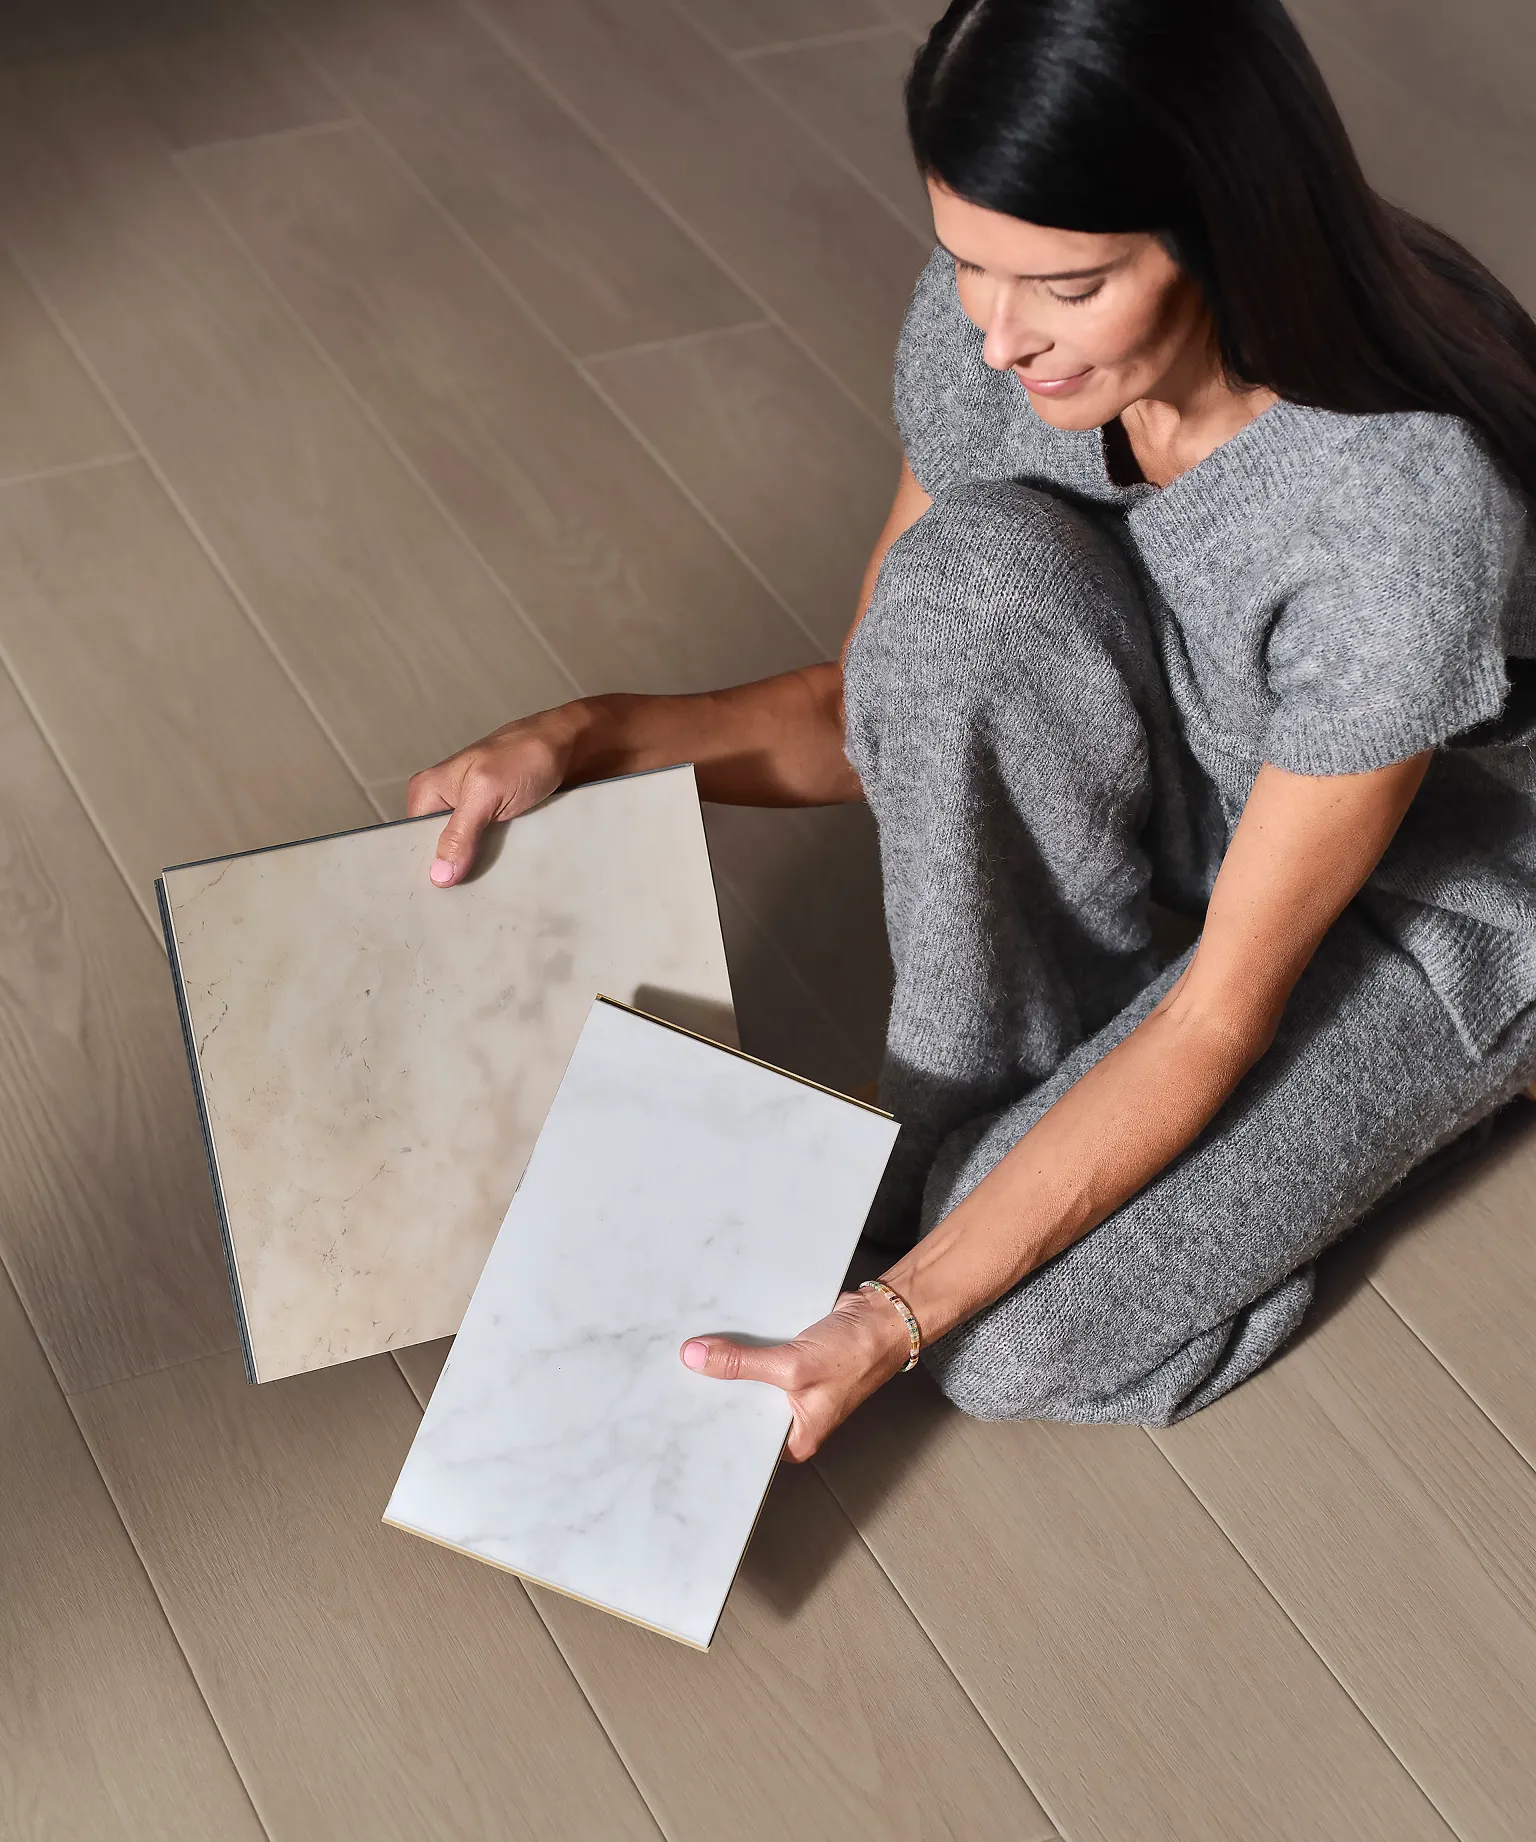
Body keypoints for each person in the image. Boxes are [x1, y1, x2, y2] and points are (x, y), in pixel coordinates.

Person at [407, 0, 1536, 1462]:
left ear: (1226, 226)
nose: (998, 337)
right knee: (961, 587)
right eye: (965, 259)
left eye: (1066, 284)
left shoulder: (1392, 508)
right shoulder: (1001, 331)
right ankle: (958, 1127)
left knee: (1007, 1344)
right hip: (1212, 798)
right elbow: (871, 705)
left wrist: (899, 1309)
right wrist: (589, 738)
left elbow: (1219, 1013)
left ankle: (1443, 1065)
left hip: (1435, 894)